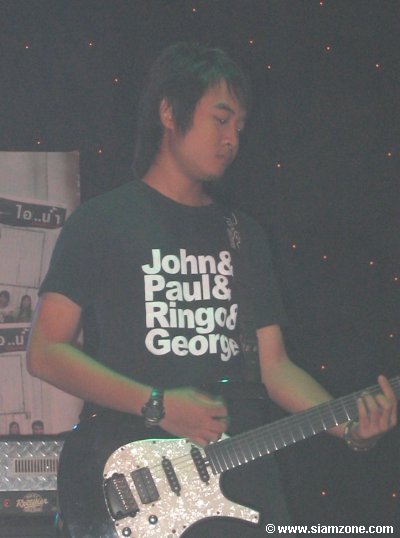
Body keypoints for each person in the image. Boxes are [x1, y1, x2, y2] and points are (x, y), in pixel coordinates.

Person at [26, 42, 397, 535]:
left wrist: (348, 427)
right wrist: (157, 404)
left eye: (240, 127)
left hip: (244, 475)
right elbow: (45, 352)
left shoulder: (242, 233)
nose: (231, 139)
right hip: (142, 480)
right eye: (220, 119)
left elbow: (274, 367)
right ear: (168, 112)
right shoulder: (102, 221)